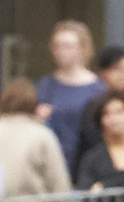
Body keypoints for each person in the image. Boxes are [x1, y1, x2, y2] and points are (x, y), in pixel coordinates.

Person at [37, 19, 106, 164]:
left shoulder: (98, 89)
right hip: (51, 160)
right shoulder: (45, 86)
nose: (61, 52)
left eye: (67, 46)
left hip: (85, 161)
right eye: (57, 46)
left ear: (83, 49)